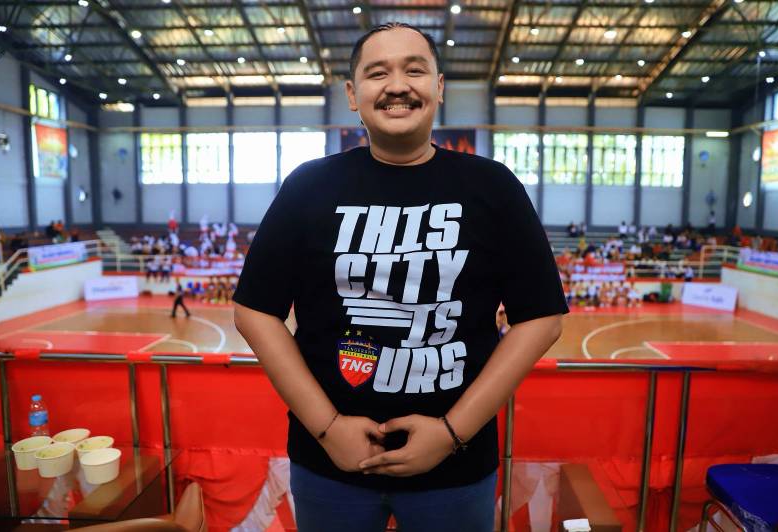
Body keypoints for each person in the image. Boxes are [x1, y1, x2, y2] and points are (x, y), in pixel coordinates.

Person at [232, 22, 567, 532]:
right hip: (329, 466)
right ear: (352, 94)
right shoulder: (308, 186)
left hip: (457, 469)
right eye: (377, 73)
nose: (397, 86)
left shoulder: (493, 187)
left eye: (415, 70)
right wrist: (328, 428)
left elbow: (541, 318)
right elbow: (255, 311)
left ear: (438, 87)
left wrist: (451, 432)